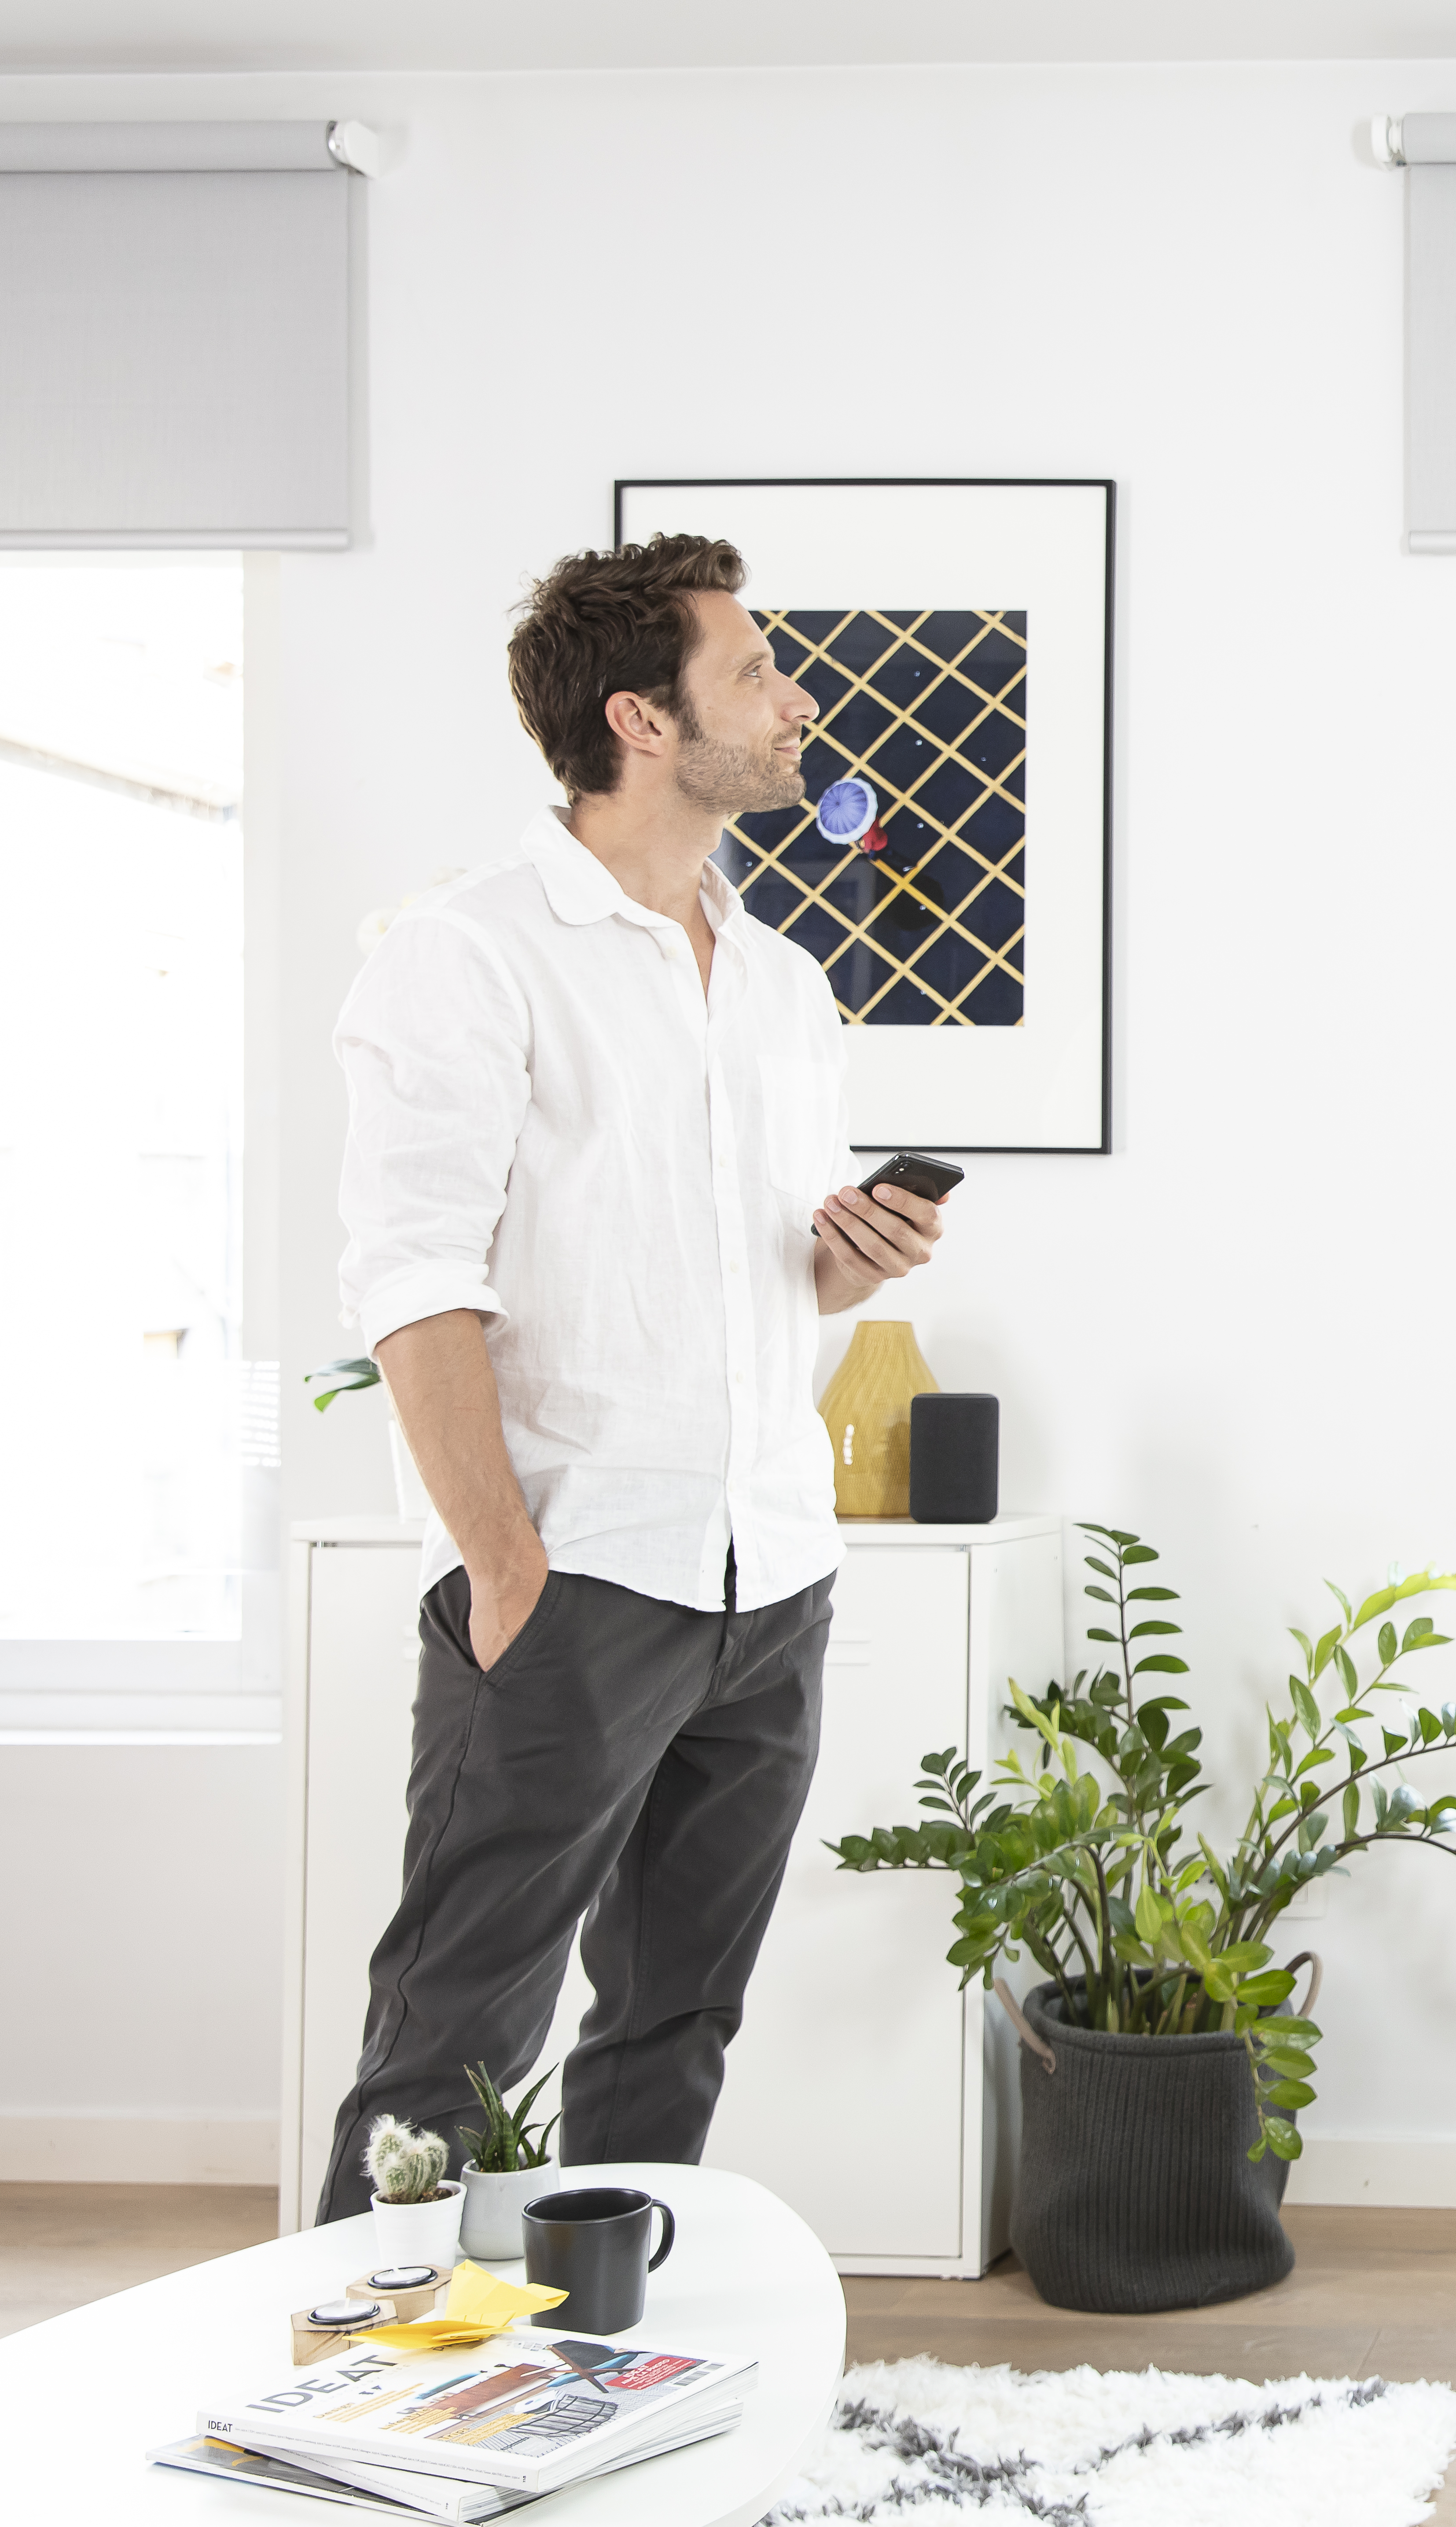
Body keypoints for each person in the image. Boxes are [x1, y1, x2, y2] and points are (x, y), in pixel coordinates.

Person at [316, 534, 947, 2217]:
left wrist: (847, 1261)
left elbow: (755, 1270)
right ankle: (366, 2400)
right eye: (750, 669)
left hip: (770, 1570)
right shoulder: (468, 954)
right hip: (580, 1573)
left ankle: (598, 2381)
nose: (789, 696)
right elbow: (414, 1285)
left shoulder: (784, 984)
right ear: (641, 721)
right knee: (456, 2033)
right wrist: (504, 1568)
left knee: (676, 2019)